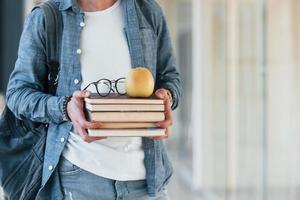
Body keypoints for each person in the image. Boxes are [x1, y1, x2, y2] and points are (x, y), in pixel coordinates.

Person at [6, 0, 182, 199]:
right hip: (79, 178)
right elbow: (18, 94)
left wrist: (167, 96)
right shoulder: (46, 17)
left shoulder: (149, 12)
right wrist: (65, 108)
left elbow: (170, 78)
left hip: (148, 182)